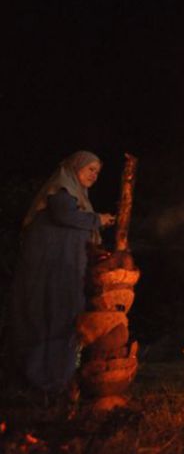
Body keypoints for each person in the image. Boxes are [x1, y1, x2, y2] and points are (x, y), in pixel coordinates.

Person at [9, 151, 115, 395]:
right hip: (49, 271)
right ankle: (37, 381)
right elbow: (65, 215)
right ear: (75, 167)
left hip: (66, 271)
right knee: (44, 318)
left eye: (97, 172)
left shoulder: (78, 196)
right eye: (90, 169)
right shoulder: (61, 189)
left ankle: (58, 379)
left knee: (65, 320)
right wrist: (96, 219)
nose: (94, 176)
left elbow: (78, 223)